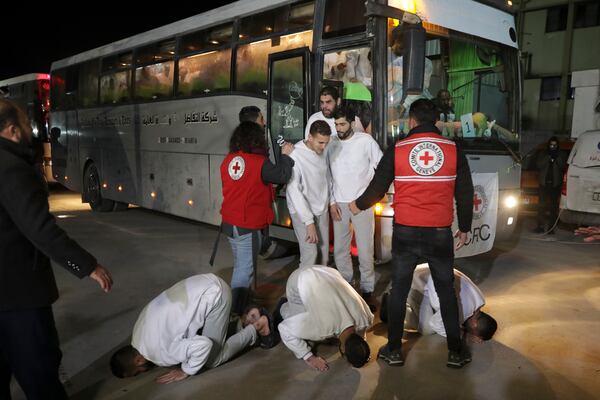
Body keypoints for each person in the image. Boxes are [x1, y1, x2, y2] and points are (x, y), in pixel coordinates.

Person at [0, 98, 113, 399]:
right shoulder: (11, 168)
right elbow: (39, 228)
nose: (32, 129)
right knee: (39, 373)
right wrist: (88, 265)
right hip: (18, 295)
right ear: (12, 130)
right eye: (26, 123)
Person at [350, 98, 474, 368]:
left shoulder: (398, 148)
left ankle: (394, 349)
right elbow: (465, 193)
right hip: (440, 233)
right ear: (437, 122)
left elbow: (378, 187)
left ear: (412, 121)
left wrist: (357, 205)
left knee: (400, 289)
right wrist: (464, 227)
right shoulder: (453, 149)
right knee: (445, 291)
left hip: (405, 232)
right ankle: (455, 351)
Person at [110, 273, 274, 384]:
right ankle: (240, 323)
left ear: (138, 360)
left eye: (138, 372)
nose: (142, 372)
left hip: (216, 296)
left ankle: (256, 327)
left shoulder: (160, 353)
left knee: (212, 359)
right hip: (204, 281)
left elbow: (203, 346)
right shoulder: (138, 330)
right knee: (202, 336)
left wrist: (186, 370)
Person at [220, 121, 294, 314]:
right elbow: (282, 175)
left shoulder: (228, 161)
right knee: (244, 271)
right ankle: (237, 312)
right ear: (255, 139)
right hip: (247, 225)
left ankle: (246, 303)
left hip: (229, 224)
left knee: (241, 265)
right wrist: (286, 155)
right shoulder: (259, 163)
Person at [328, 107, 383, 308]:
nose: (338, 128)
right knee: (341, 249)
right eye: (336, 124)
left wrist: (367, 199)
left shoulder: (366, 142)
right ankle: (347, 284)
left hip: (362, 204)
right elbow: (327, 175)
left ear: (352, 123)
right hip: (339, 204)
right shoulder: (331, 143)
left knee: (365, 249)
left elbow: (382, 168)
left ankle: (368, 289)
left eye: (342, 124)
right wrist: (332, 202)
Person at [276, 266, 373, 371]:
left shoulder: (366, 318)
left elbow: (361, 337)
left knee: (315, 311)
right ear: (343, 350)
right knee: (294, 317)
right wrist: (309, 357)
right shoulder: (322, 328)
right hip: (299, 280)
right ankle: (282, 307)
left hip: (327, 271)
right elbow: (284, 329)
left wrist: (359, 350)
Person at [381, 264, 497, 344]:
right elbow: (436, 325)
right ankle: (391, 305)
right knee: (427, 329)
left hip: (423, 276)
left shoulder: (480, 299)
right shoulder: (458, 309)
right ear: (474, 323)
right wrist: (464, 336)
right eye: (474, 332)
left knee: (436, 312)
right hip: (409, 283)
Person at [287, 120, 332, 266]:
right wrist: (309, 222)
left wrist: (330, 202)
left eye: (326, 142)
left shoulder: (322, 150)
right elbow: (294, 191)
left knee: (324, 254)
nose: (324, 146)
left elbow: (326, 177)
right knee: (310, 254)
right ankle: (302, 288)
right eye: (320, 142)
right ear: (310, 137)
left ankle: (318, 287)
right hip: (302, 212)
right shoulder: (295, 155)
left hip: (321, 208)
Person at [534, 136, 567, 234]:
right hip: (544, 184)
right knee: (541, 206)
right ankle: (540, 226)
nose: (553, 147)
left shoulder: (561, 154)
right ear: (549, 145)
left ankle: (551, 228)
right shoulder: (543, 153)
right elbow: (539, 165)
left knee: (553, 207)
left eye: (555, 145)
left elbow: (562, 166)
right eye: (551, 145)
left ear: (557, 146)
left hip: (555, 185)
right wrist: (548, 156)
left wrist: (556, 157)